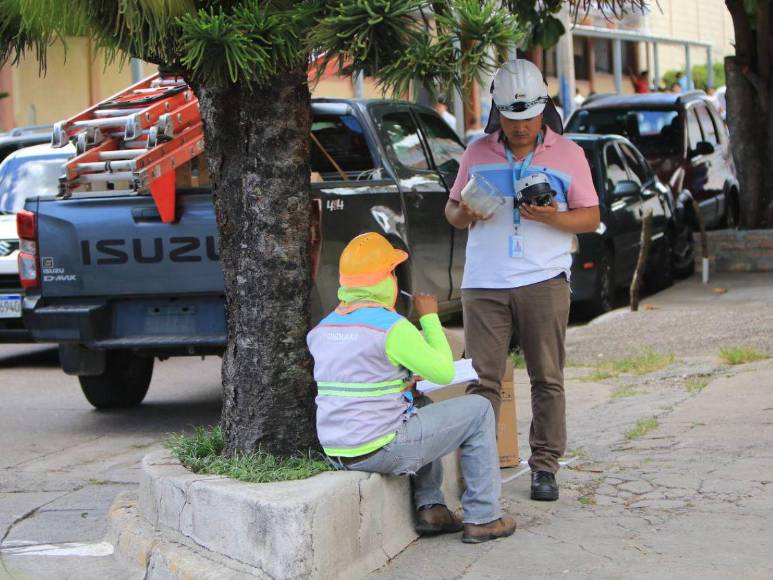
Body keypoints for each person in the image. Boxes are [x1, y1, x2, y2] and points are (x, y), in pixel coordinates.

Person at [444, 59, 600, 502]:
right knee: (482, 380)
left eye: (528, 117)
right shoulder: (476, 152)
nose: (520, 128)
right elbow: (452, 212)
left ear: (543, 110)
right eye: (511, 119)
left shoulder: (569, 153)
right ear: (498, 114)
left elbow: (591, 218)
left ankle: (545, 467)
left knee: (547, 377)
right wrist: (466, 211)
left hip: (543, 279)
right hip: (484, 282)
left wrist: (554, 217)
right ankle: (480, 471)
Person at [307, 232, 516, 544]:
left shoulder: (323, 328)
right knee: (479, 410)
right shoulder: (392, 327)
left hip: (338, 449)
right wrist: (430, 318)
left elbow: (354, 379)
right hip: (380, 448)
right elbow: (444, 372)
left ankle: (431, 508)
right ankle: (484, 516)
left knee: (423, 404)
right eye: (392, 272)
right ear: (384, 279)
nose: (394, 278)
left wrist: (401, 383)